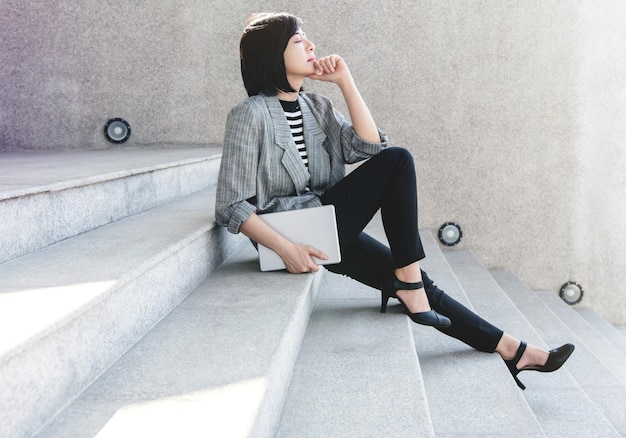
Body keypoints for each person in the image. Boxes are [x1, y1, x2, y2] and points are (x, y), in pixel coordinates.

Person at [215, 12, 574, 389]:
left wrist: (346, 83)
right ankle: (411, 285)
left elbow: (368, 145)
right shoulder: (248, 114)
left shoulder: (316, 107)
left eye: (307, 38)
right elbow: (231, 204)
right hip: (292, 232)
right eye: (298, 40)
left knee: (416, 280)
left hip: (325, 222)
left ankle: (513, 351)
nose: (311, 46)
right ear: (274, 53)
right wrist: (286, 248)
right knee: (398, 163)